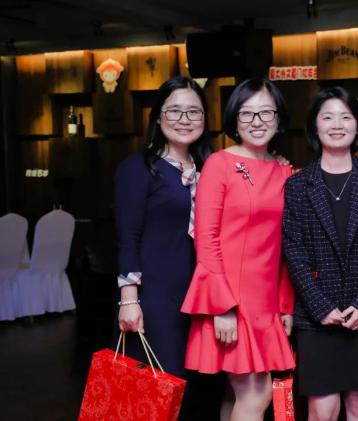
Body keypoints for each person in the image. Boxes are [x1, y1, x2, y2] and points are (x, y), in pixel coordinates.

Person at [181, 78, 295, 421]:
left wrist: (285, 304)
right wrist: (222, 306)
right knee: (257, 394)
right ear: (234, 119)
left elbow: (285, 245)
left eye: (265, 112)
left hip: (266, 302)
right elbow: (206, 239)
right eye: (247, 113)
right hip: (232, 300)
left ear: (278, 118)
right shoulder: (219, 164)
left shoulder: (285, 171)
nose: (257, 121)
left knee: (238, 394)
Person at [283, 86, 358, 421]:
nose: (336, 124)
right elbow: (293, 250)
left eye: (345, 117)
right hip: (317, 318)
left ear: (357, 125)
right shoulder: (298, 185)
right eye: (327, 117)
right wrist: (320, 306)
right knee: (322, 409)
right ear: (314, 126)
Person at [115, 76, 212, 377]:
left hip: (200, 298)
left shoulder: (211, 169)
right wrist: (129, 301)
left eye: (194, 111)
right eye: (174, 111)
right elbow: (128, 237)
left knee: (197, 388)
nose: (184, 119)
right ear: (158, 116)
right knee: (162, 383)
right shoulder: (139, 168)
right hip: (156, 298)